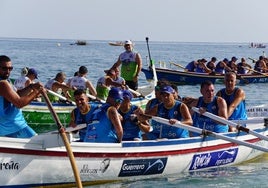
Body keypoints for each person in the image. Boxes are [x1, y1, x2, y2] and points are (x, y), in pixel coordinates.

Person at [0, 55, 43, 138]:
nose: (8, 71)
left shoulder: (6, 81)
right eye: (4, 68)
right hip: (14, 126)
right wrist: (36, 92)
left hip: (10, 126)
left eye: (10, 68)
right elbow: (19, 103)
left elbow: (17, 94)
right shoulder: (2, 84)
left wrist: (31, 87)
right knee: (37, 144)